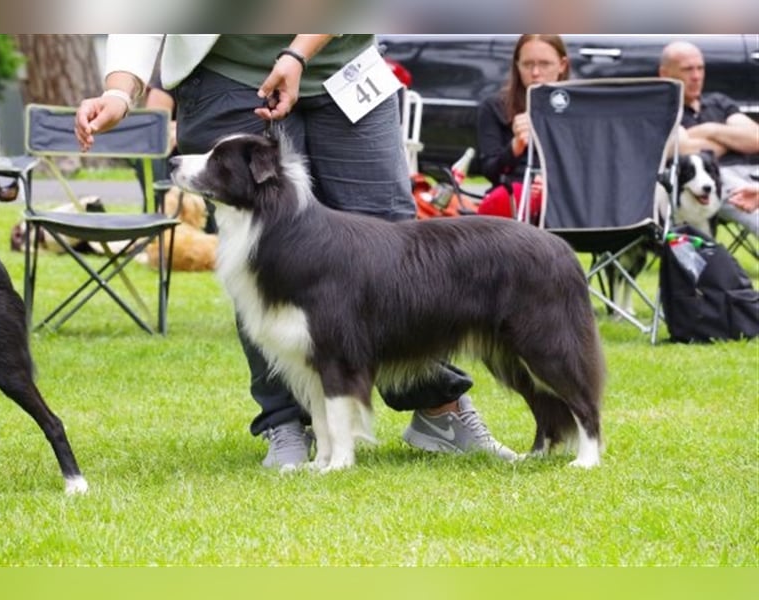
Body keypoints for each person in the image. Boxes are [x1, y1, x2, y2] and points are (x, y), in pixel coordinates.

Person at [75, 35, 518, 469]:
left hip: (345, 67)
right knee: (263, 256)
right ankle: (286, 422)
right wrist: (120, 88)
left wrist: (298, 53)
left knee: (392, 240)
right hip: (228, 74)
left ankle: (437, 409)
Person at [659, 40, 759, 236]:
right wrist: (732, 140)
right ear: (665, 73)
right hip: (711, 179)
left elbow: (755, 139)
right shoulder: (664, 110)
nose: (696, 76)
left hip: (751, 170)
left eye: (700, 68)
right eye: (687, 69)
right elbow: (682, 149)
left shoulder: (718, 102)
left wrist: (710, 129)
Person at [475, 34, 570, 223]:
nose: (535, 72)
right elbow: (489, 171)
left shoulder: (577, 108)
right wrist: (515, 146)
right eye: (527, 64)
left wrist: (552, 182)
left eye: (544, 64)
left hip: (566, 197)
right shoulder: (496, 106)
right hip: (515, 194)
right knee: (508, 199)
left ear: (562, 65)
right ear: (517, 66)